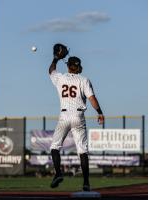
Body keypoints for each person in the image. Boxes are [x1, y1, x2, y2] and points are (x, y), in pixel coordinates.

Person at [48, 45, 104, 191]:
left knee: (55, 147)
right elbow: (92, 98)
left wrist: (56, 59)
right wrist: (99, 112)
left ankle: (58, 173)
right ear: (78, 67)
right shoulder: (84, 80)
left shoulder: (60, 78)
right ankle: (86, 183)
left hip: (64, 115)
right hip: (78, 116)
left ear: (69, 67)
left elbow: (51, 71)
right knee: (82, 150)